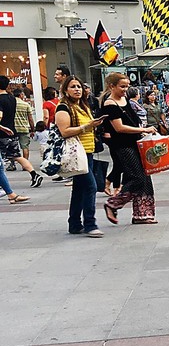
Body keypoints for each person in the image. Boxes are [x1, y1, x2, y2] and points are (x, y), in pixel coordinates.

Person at [101, 73, 159, 226]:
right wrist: (143, 130)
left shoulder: (124, 100)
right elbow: (119, 128)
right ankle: (113, 203)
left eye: (127, 86)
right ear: (111, 86)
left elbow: (133, 120)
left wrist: (142, 130)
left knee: (145, 178)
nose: (125, 90)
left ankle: (142, 214)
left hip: (135, 143)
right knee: (137, 178)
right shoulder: (110, 104)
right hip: (122, 145)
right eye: (122, 86)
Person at [55, 76, 104, 235]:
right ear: (65, 90)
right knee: (91, 186)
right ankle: (90, 224)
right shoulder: (63, 107)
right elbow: (64, 131)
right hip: (76, 153)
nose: (77, 89)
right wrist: (86, 126)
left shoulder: (83, 106)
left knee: (79, 189)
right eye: (73, 87)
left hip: (87, 152)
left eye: (79, 86)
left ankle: (75, 223)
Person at [0, 77, 43, 187]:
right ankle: (34, 174)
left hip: (2, 134)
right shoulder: (12, 99)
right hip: (12, 131)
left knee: (3, 160)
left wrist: (2, 127)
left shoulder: (0, 99)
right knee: (16, 156)